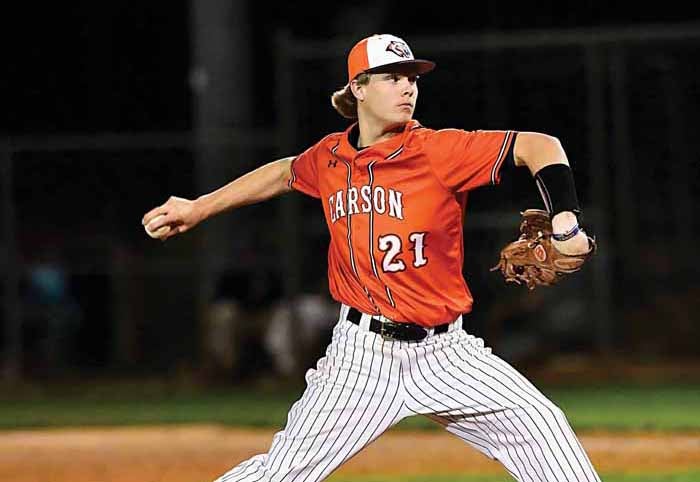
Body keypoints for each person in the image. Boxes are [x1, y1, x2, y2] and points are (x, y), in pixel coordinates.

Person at [143, 34, 600, 482]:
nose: (407, 87)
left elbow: (541, 146)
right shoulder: (330, 158)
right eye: (391, 77)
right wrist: (198, 207)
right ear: (358, 88)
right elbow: (284, 172)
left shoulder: (438, 151)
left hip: (448, 354)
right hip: (362, 358)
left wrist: (566, 220)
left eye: (412, 79)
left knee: (546, 435)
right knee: (282, 474)